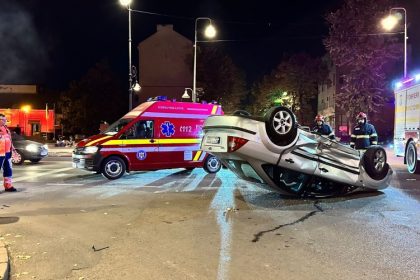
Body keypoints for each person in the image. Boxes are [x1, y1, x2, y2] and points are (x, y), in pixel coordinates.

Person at [0, 114, 17, 192]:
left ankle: (8, 186)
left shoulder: (6, 128)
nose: (5, 121)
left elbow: (9, 140)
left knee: (8, 170)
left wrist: (13, 149)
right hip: (0, 153)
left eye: (5, 119)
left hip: (7, 153)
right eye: (3, 119)